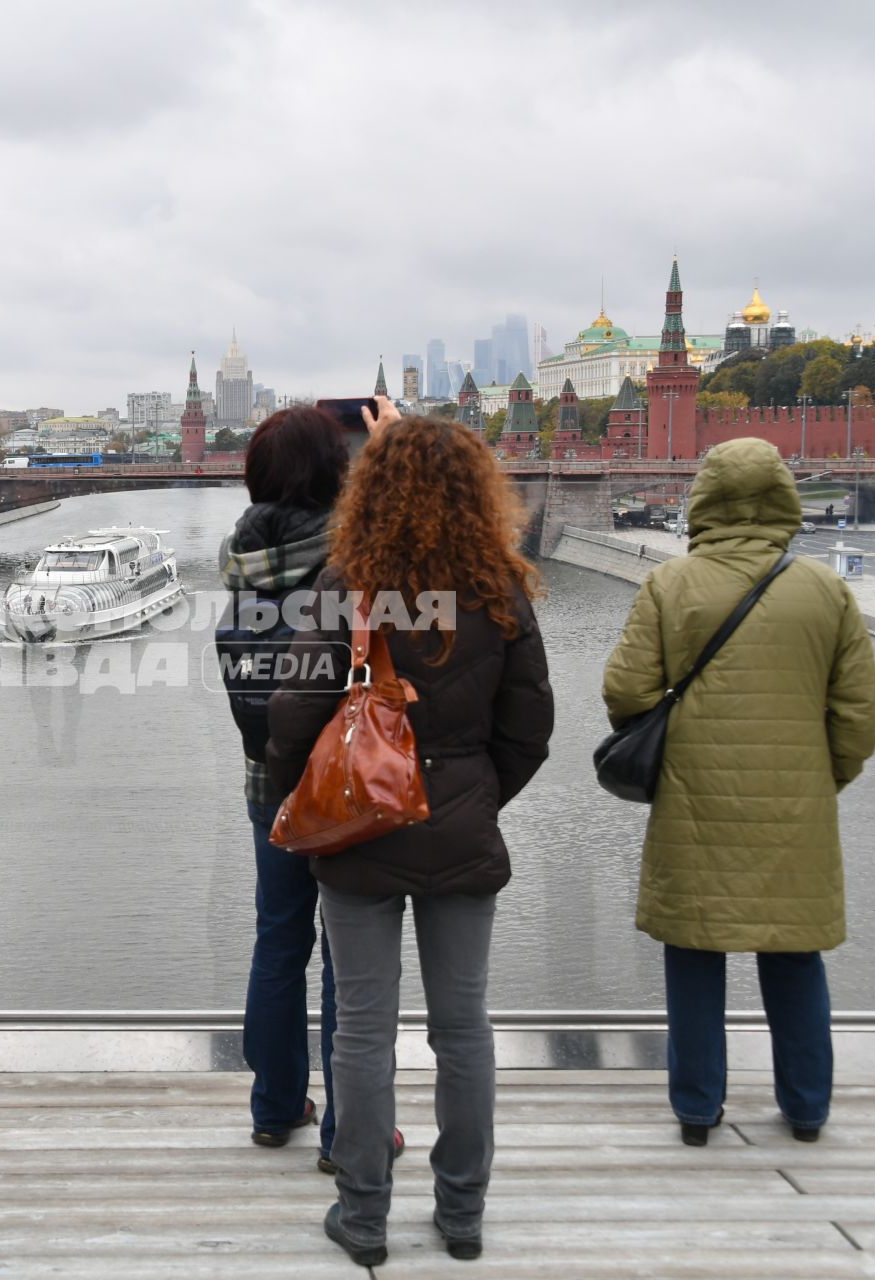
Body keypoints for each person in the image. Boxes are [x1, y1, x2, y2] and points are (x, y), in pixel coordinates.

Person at [269, 410, 554, 1267]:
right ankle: (461, 1212)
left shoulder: (345, 581)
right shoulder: (501, 586)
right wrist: (472, 796)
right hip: (462, 826)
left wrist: (319, 796)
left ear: (372, 492)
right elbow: (530, 728)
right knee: (463, 1027)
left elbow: (293, 714)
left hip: (359, 835)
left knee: (361, 1027)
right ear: (476, 491)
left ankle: (363, 1218)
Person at [603, 437, 875, 1148]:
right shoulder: (826, 589)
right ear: (784, 498)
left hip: (694, 801)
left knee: (694, 953)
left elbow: (626, 689)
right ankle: (808, 1108)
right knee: (793, 954)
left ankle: (698, 1111)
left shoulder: (673, 584)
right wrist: (822, 780)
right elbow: (858, 715)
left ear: (705, 501)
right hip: (797, 808)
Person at [215, 406, 354, 1167]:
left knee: (279, 937)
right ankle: (349, 1129)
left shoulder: (239, 561)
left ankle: (274, 1107)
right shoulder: (357, 557)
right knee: (349, 955)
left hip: (266, 777)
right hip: (350, 782)